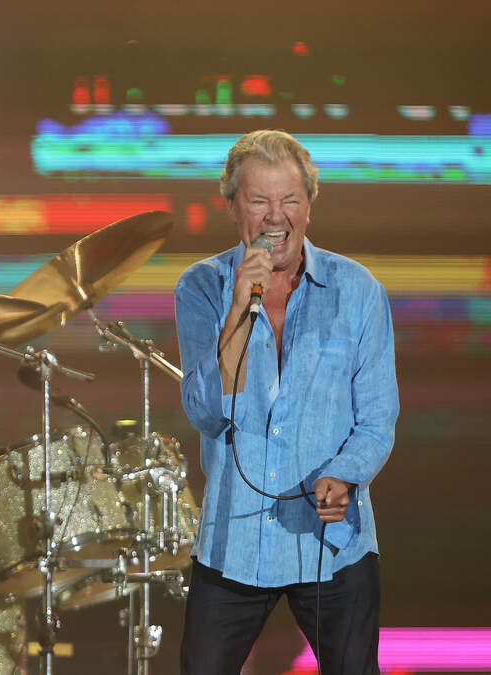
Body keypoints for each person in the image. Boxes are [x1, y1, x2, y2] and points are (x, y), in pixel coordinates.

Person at [174, 130, 397, 674]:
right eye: (259, 201)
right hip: (233, 541)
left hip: (330, 544)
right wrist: (237, 307)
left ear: (309, 205)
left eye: (290, 199)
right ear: (233, 207)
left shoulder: (358, 291)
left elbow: (376, 419)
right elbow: (206, 413)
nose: (276, 216)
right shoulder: (201, 287)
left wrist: (345, 476)